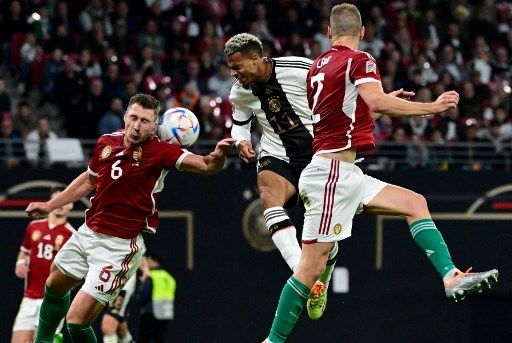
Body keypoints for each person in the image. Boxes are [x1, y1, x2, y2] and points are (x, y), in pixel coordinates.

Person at [263, 4, 499, 342]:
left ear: (330, 33)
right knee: (307, 269)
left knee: (414, 202)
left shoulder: (319, 64)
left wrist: (383, 99)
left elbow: (343, 113)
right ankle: (273, 340)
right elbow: (376, 104)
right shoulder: (360, 60)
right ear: (362, 32)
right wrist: (430, 108)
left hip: (344, 173)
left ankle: (451, 276)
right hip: (332, 174)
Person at [25, 93, 234, 343]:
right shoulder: (106, 142)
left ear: (156, 125)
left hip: (118, 247)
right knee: (54, 285)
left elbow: (207, 166)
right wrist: (50, 205)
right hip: (88, 231)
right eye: (133, 117)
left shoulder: (162, 152)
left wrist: (219, 156)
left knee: (76, 322)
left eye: (145, 121)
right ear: (124, 116)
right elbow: (89, 180)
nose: (136, 125)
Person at [224, 33, 337, 320]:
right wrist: (241, 140)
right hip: (277, 154)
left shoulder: (301, 69)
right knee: (268, 197)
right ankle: (305, 274)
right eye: (231, 69)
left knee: (327, 239)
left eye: (238, 67)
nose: (234, 74)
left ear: (255, 58)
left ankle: (322, 273)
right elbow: (240, 122)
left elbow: (336, 99)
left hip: (319, 157)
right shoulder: (240, 90)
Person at [12, 186, 75, 343]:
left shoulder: (72, 236)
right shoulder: (33, 226)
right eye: (56, 199)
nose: (60, 204)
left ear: (71, 204)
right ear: (50, 202)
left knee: (40, 340)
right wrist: (20, 262)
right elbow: (24, 251)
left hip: (52, 300)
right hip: (29, 298)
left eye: (64, 200)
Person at [137, 252, 177, 343]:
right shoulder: (169, 277)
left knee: (144, 339)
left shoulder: (151, 276)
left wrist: (141, 305)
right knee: (159, 338)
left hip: (151, 311)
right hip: (165, 313)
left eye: (148, 260)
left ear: (155, 262)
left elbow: (144, 294)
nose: (147, 262)